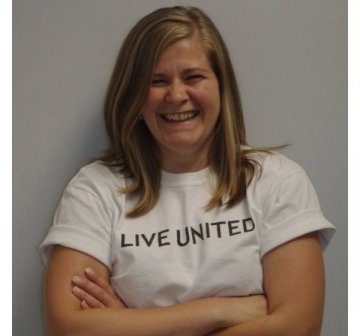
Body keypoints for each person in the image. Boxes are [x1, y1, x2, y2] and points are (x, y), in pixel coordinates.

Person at [40, 6, 335, 336]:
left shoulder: (277, 181)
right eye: (157, 81)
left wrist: (130, 322)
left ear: (221, 87)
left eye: (193, 77)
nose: (177, 95)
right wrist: (221, 310)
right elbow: (67, 328)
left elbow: (299, 328)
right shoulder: (94, 190)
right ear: (134, 95)